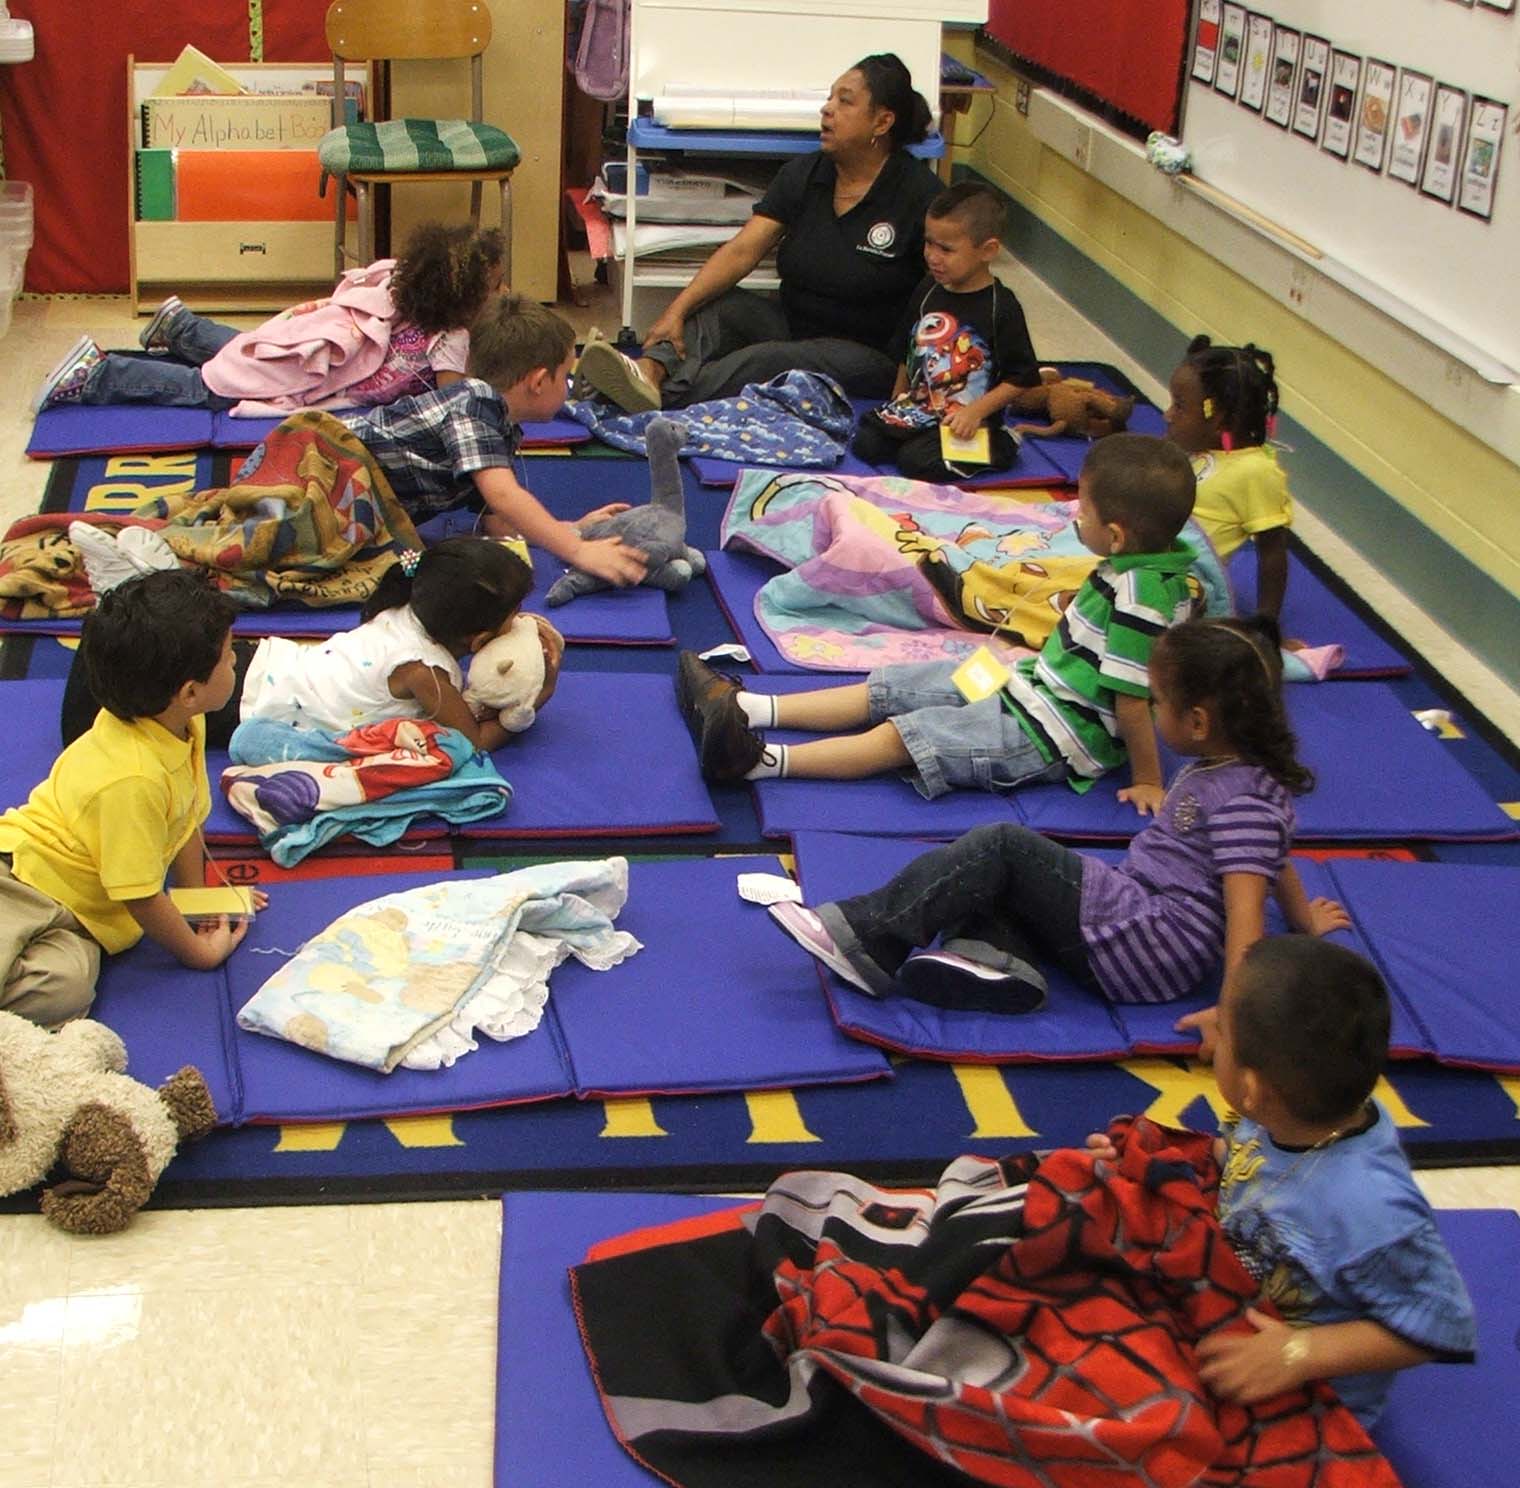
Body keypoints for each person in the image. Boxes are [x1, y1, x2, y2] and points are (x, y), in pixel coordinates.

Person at [767, 616, 1348, 1013]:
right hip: (1143, 926)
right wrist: (1303, 922)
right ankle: (995, 962)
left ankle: (870, 940)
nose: (1148, 711)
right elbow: (1276, 861)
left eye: (1158, 703)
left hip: (1148, 945)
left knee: (1003, 847)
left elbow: (1246, 918)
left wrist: (1235, 1022)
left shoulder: (1240, 796)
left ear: (1197, 722)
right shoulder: (1241, 773)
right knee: (1010, 880)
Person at [679, 434, 1199, 810]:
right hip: (1030, 682)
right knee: (902, 684)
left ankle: (755, 761)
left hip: (1050, 732)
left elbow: (1132, 700)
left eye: (1080, 513)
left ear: (1116, 534)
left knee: (911, 734)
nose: (1072, 518)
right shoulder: (1143, 564)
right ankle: (746, 706)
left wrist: (1149, 778)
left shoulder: (1141, 596)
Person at [1089, 937, 1476, 1428]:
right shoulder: (1290, 1115)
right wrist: (1152, 1161)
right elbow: (1248, 1165)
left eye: (1222, 1030)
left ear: (1251, 1089)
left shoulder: (1369, 1206)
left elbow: (1442, 1322)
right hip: (1226, 1297)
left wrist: (1298, 1353)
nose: (1209, 1032)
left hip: (1303, 1400)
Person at [575, 53, 942, 412]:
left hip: (866, 352)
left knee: (767, 361)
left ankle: (649, 393)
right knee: (716, 308)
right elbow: (742, 251)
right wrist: (676, 310)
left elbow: (941, 293)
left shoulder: (919, 193)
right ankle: (649, 370)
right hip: (792, 322)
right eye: (829, 97)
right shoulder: (806, 173)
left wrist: (909, 373)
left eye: (844, 102)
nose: (827, 109)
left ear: (882, 122)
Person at [0, 572, 266, 1028]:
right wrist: (199, 953)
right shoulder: (133, 776)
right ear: (188, 692)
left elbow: (183, 823)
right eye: (228, 657)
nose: (236, 664)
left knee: (65, 992)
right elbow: (142, 896)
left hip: (87, 916)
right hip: (25, 880)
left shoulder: (182, 725)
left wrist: (195, 900)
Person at [61, 539, 562, 758]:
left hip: (266, 658)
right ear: (477, 641)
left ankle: (135, 594)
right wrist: (532, 701)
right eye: (511, 620)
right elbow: (471, 742)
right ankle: (129, 602)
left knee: (170, 646)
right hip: (245, 703)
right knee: (150, 686)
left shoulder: (403, 602)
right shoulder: (427, 673)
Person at [34, 222, 506, 414]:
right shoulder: (450, 338)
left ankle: (181, 328)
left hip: (310, 344)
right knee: (218, 386)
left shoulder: (399, 285)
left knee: (254, 349)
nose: (500, 293)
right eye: (493, 287)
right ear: (460, 297)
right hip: (316, 372)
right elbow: (455, 402)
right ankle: (101, 374)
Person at [339, 295, 647, 587]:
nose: (570, 389)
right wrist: (578, 551)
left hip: (353, 503)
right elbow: (503, 496)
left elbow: (498, 522)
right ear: (539, 382)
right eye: (566, 375)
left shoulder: (498, 425)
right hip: (324, 465)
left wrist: (574, 529)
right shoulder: (476, 402)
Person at [852, 181, 1039, 483]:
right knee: (866, 444)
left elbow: (1023, 377)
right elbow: (905, 350)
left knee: (915, 461)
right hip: (922, 411)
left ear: (987, 250)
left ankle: (1004, 443)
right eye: (929, 243)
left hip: (969, 422)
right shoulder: (927, 289)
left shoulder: (1000, 307)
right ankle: (921, 440)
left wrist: (976, 411)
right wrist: (898, 398)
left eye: (946, 249)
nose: (932, 256)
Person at [1164, 335, 1292, 620]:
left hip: (1181, 581)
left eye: (1179, 406)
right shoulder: (1197, 448)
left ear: (1218, 417)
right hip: (1152, 552)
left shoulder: (1256, 470)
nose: (1167, 414)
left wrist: (1266, 623)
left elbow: (1272, 551)